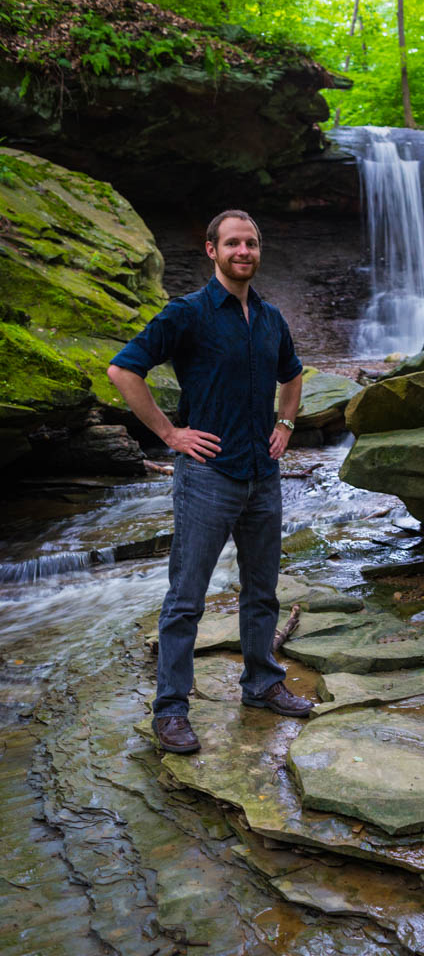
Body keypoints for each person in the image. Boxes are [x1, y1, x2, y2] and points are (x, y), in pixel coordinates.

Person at [107, 209, 312, 755]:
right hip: (207, 478)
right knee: (186, 600)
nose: (244, 251)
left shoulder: (269, 318)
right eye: (233, 243)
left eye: (252, 243)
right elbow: (123, 370)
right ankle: (171, 710)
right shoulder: (189, 314)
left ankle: (263, 685)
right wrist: (171, 434)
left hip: (262, 476)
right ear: (211, 250)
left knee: (262, 591)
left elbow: (292, 375)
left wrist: (285, 424)